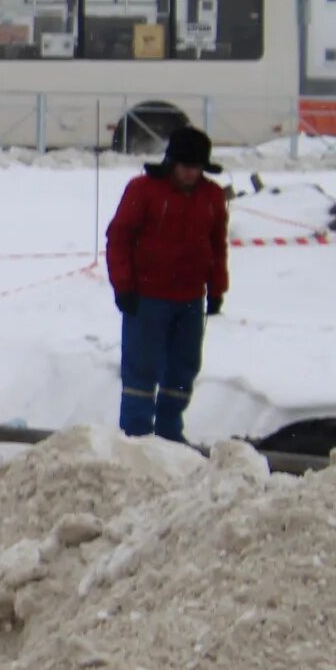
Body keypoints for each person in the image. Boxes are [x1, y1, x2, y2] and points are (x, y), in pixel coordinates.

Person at [107, 123, 230, 444]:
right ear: (172, 162)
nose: (192, 174)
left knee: (183, 369)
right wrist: (123, 286)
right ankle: (136, 437)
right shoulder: (142, 190)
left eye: (198, 168)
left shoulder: (213, 196)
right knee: (141, 371)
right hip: (147, 297)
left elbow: (217, 245)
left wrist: (217, 289)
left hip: (190, 299)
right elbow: (119, 238)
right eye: (186, 166)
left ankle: (169, 433)